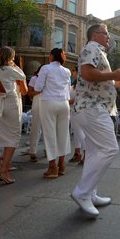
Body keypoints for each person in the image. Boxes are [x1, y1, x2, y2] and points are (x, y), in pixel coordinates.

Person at [71, 23, 120, 218]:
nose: (108, 38)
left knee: (95, 151)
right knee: (109, 148)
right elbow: (87, 73)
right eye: (105, 34)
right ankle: (82, 192)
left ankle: (91, 193)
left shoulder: (98, 52)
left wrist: (119, 82)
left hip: (93, 107)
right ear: (95, 35)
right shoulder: (91, 48)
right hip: (91, 108)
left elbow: (102, 80)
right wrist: (113, 75)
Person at [0, 46, 27, 184]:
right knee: (13, 137)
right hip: (11, 104)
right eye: (13, 56)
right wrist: (16, 65)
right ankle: (4, 170)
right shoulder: (10, 70)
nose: (14, 59)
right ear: (9, 57)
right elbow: (23, 82)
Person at [34, 48, 72, 179]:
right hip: (64, 103)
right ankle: (62, 165)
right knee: (63, 134)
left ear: (51, 56)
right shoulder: (67, 71)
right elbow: (68, 89)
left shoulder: (45, 68)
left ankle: (52, 167)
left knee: (50, 134)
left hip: (49, 102)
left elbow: (38, 88)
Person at [27, 65, 43, 162]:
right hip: (37, 104)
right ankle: (33, 151)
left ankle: (48, 150)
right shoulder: (34, 78)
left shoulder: (50, 79)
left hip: (48, 104)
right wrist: (39, 91)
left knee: (48, 129)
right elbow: (29, 93)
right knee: (35, 128)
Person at [69, 71, 85, 164]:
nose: (72, 72)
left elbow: (79, 98)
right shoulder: (75, 84)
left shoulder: (81, 85)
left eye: (74, 71)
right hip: (74, 110)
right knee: (76, 132)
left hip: (78, 110)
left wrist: (68, 102)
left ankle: (86, 153)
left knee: (79, 132)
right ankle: (77, 153)